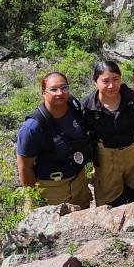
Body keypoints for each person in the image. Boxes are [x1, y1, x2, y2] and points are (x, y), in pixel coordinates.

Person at [16, 72, 93, 209]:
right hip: (52, 188)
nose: (60, 93)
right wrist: (34, 199)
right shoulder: (32, 127)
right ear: (43, 92)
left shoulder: (73, 106)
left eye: (64, 88)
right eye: (53, 89)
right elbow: (24, 166)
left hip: (79, 180)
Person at [82, 60, 134, 207]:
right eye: (105, 81)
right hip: (106, 157)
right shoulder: (87, 107)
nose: (111, 85)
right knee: (110, 201)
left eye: (116, 79)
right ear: (96, 81)